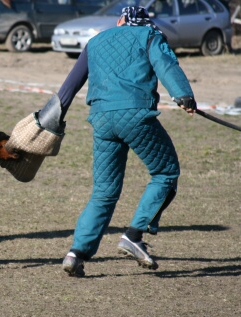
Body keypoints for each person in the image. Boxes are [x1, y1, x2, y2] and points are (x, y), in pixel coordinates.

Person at [55, 7, 197, 277]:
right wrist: (183, 95)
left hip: (101, 120)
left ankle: (76, 253)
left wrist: (53, 113)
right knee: (165, 172)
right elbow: (165, 64)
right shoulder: (150, 35)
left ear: (120, 21)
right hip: (135, 115)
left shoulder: (95, 41)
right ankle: (133, 235)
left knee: (104, 192)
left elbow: (71, 83)